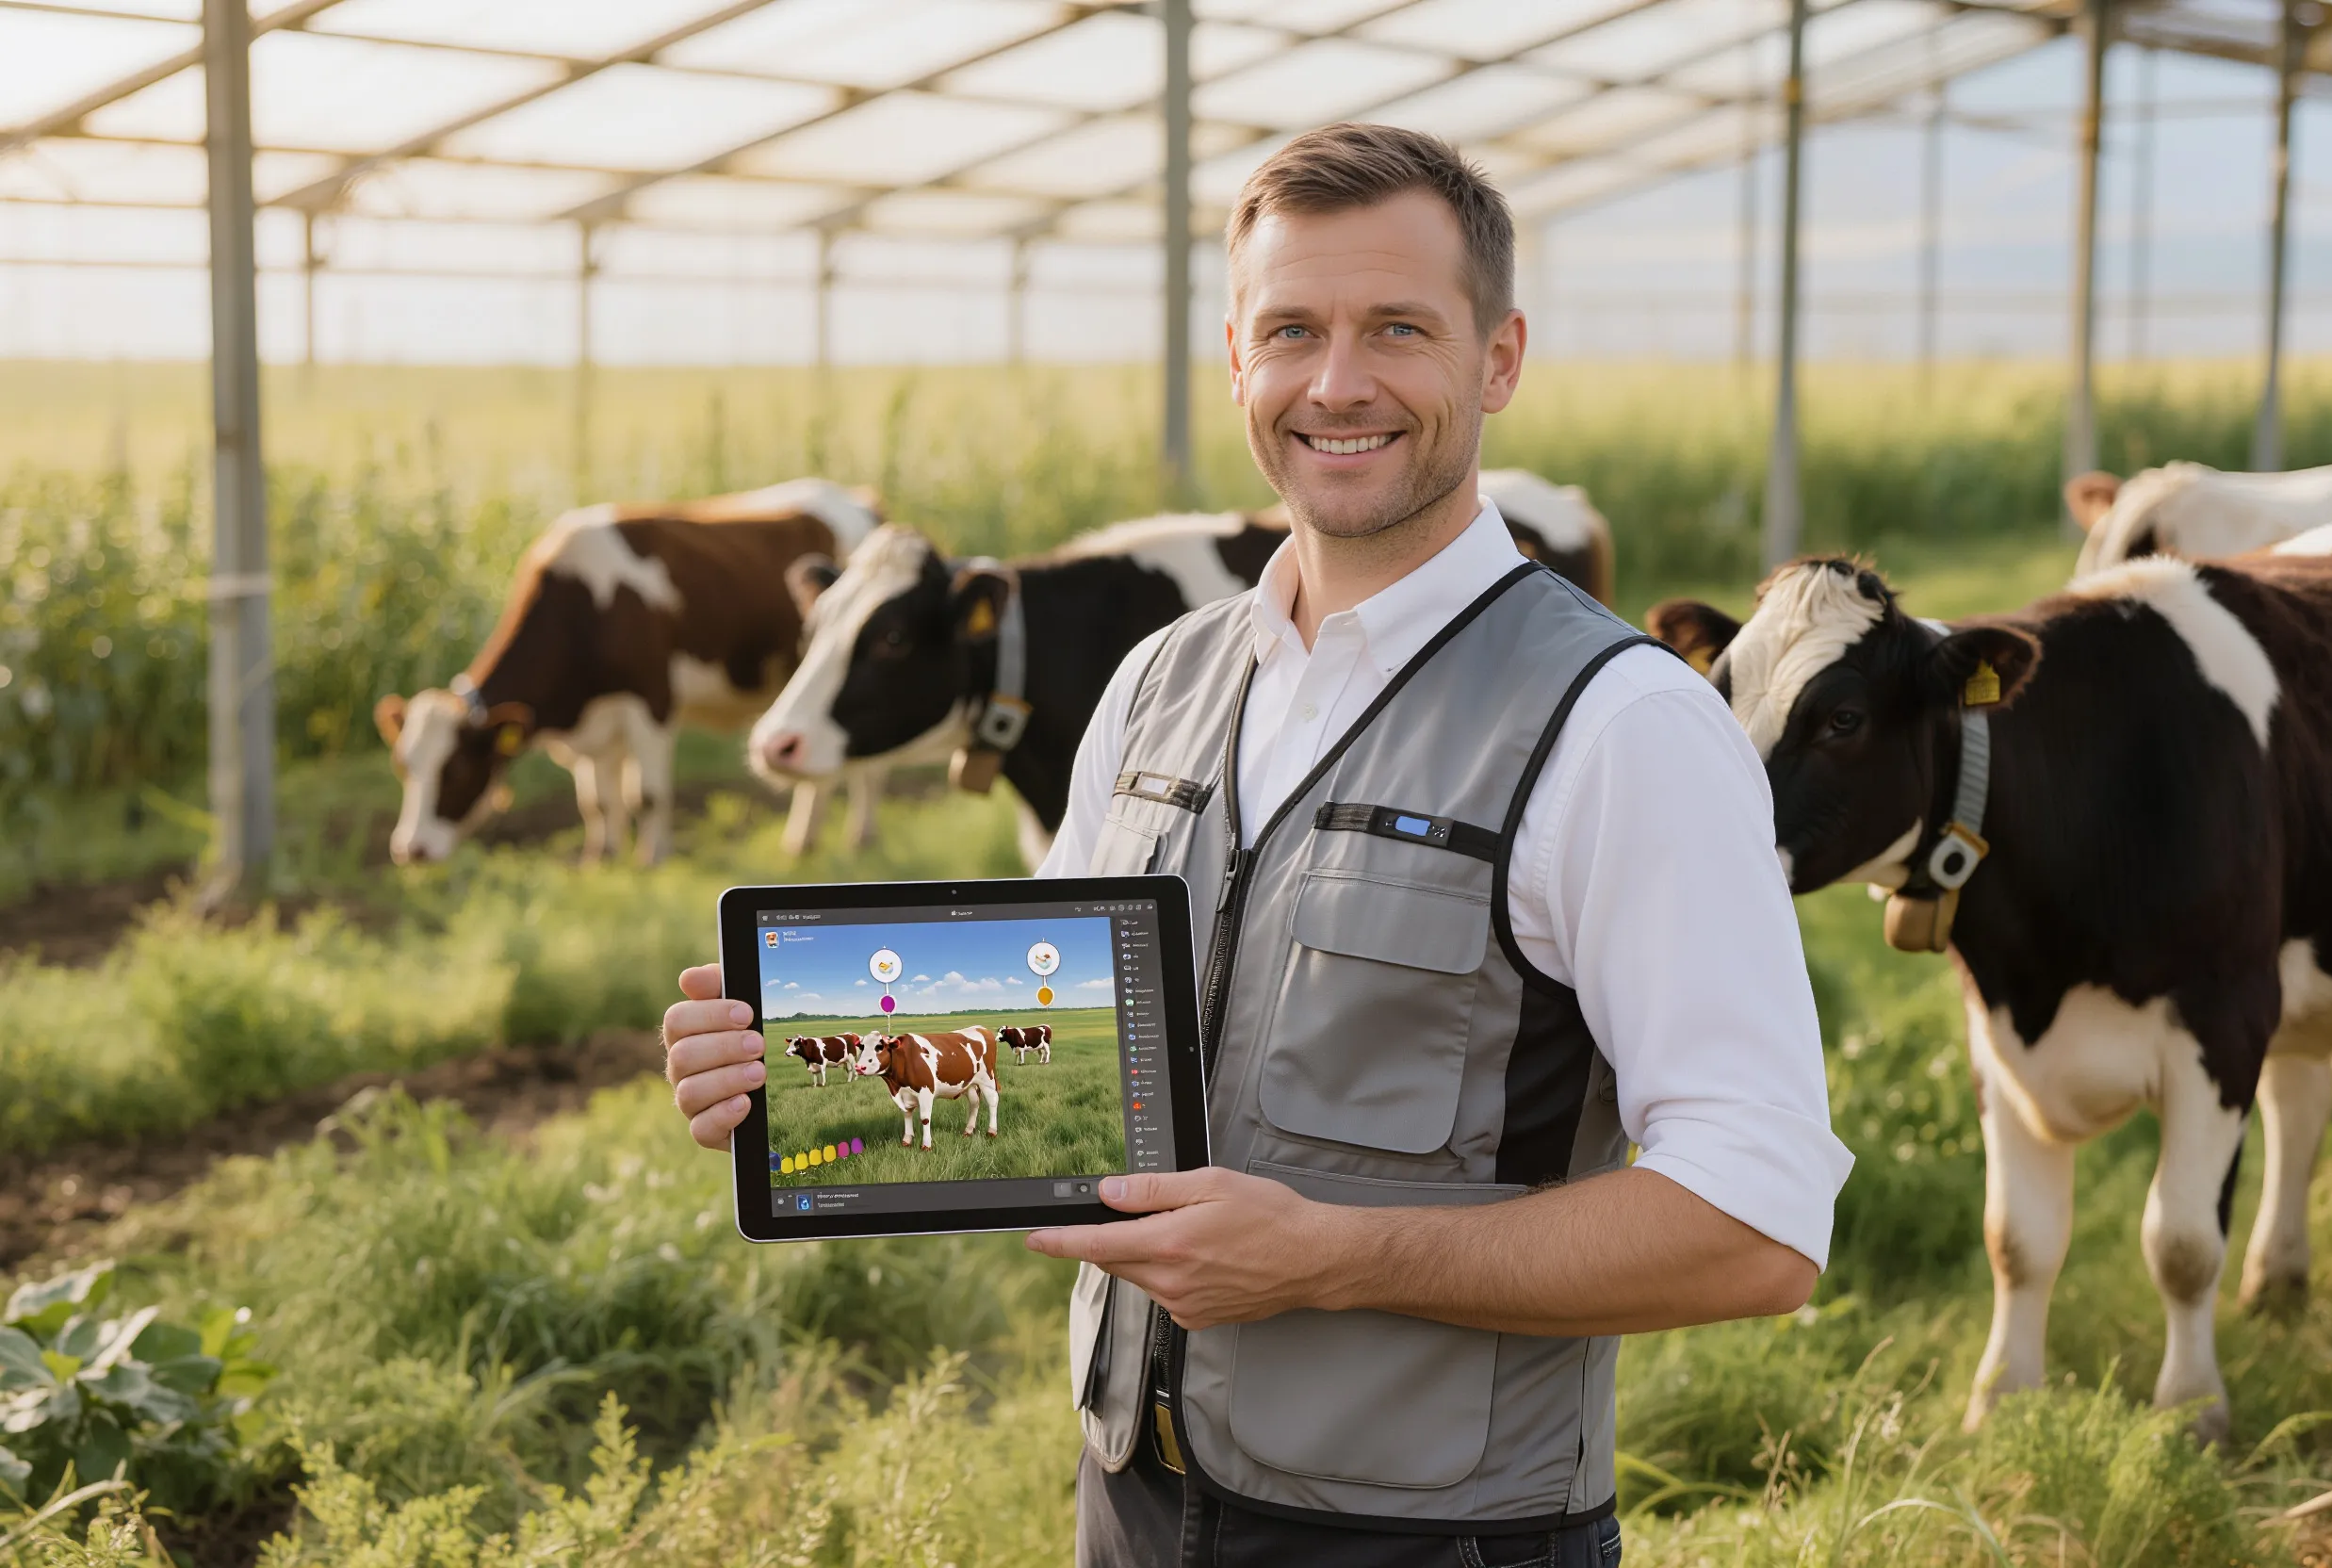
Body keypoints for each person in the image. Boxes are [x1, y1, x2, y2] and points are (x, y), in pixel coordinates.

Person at [662, 122, 1851, 1568]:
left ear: (1500, 359)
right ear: (1237, 357)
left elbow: (1756, 1227)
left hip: (1438, 1543)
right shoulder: (1157, 683)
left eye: (1398, 328)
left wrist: (1338, 1256)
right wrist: (789, 1066)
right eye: (1291, 329)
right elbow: (1048, 1057)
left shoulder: (1624, 728)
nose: (1336, 383)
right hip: (1133, 1501)